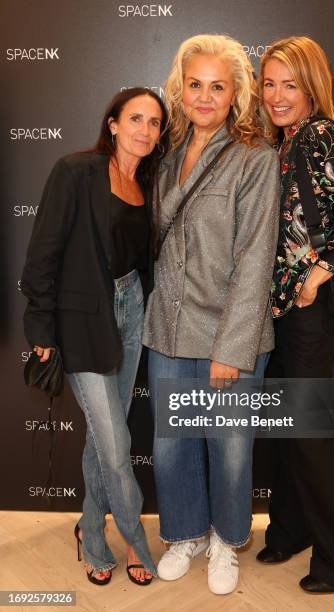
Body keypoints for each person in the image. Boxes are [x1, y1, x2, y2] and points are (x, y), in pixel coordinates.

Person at [143, 34, 280, 595]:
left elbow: (255, 258)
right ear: (180, 89)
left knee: (229, 451)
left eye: (216, 86)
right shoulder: (166, 155)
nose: (203, 97)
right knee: (172, 445)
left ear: (235, 95)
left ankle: (227, 539)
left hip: (230, 333)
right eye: (194, 85)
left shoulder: (256, 158)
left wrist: (231, 348)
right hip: (167, 329)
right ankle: (186, 533)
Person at [21, 87, 168, 586]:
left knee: (102, 441)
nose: (144, 130)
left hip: (132, 313)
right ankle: (136, 541)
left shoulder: (147, 181)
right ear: (112, 123)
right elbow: (42, 254)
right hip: (83, 317)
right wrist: (41, 326)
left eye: (154, 122)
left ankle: (90, 530)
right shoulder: (74, 171)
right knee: (114, 442)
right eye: (135, 119)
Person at [256, 36, 334, 593]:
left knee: (309, 431)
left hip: (308, 312)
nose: (278, 95)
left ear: (312, 87)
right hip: (281, 312)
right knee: (288, 429)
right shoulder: (287, 140)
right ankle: (293, 528)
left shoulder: (322, 135)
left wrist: (314, 279)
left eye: (291, 84)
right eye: (270, 82)